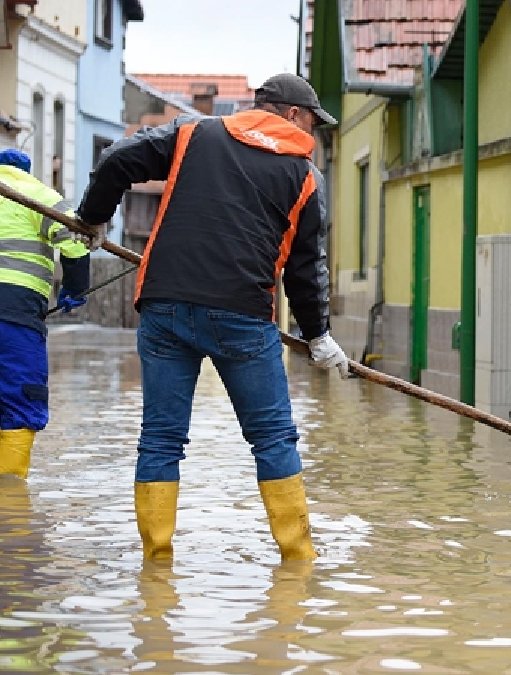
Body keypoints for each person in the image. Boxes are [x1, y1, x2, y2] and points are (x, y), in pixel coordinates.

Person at [76, 73, 348, 561]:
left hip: (165, 307)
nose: (314, 132)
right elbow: (306, 269)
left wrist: (93, 219)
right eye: (311, 120)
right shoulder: (306, 177)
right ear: (290, 114)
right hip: (242, 317)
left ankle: (155, 567)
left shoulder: (193, 133)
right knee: (272, 439)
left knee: (160, 439)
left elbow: (116, 160)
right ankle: (298, 563)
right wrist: (318, 335)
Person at [0, 148, 95, 479]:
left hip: (17, 311)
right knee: (19, 397)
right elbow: (75, 242)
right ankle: (10, 501)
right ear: (26, 170)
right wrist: (74, 289)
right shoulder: (38, 194)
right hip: (15, 312)